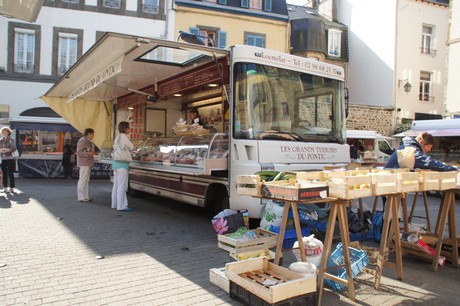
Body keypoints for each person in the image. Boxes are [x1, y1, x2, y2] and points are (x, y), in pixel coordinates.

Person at [386, 132, 457, 172]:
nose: (429, 150)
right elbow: (428, 162)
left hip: (390, 179)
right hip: (390, 182)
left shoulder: (406, 146)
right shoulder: (410, 149)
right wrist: (450, 168)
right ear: (421, 142)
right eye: (428, 147)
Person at [111, 121, 134, 211]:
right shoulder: (124, 137)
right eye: (128, 127)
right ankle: (122, 206)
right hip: (122, 164)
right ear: (125, 128)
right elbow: (132, 147)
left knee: (116, 185)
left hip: (116, 164)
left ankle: (114, 204)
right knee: (122, 186)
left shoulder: (117, 137)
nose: (129, 129)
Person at [76, 128, 95, 202]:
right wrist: (88, 154)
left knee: (86, 180)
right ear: (89, 133)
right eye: (93, 134)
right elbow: (79, 152)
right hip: (84, 162)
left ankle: (85, 196)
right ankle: (81, 196)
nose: (93, 136)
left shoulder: (86, 140)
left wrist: (89, 153)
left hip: (86, 162)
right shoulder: (83, 140)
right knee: (83, 179)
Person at [0, 127, 17, 193]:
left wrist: (6, 150)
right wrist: (3, 150)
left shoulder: (11, 139)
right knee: (4, 173)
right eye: (3, 131)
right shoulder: (1, 140)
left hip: (10, 158)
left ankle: (12, 187)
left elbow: (14, 148)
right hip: (3, 158)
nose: (4, 132)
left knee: (10, 173)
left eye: (6, 131)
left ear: (8, 132)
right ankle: (5, 187)